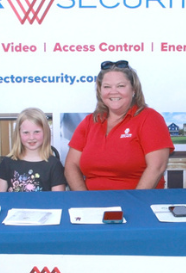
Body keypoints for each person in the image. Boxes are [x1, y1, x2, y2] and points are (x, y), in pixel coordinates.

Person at [65, 60, 174, 190]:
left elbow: (157, 167)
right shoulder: (89, 121)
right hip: (92, 200)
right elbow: (71, 166)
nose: (113, 91)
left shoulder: (150, 118)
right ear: (100, 91)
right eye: (107, 87)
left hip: (138, 198)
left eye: (121, 86)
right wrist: (83, 198)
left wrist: (134, 200)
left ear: (133, 89)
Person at [0, 108, 66, 192]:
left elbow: (57, 198)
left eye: (37, 132)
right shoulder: (7, 163)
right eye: (26, 132)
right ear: (18, 134)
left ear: (45, 132)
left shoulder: (54, 164)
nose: (31, 137)